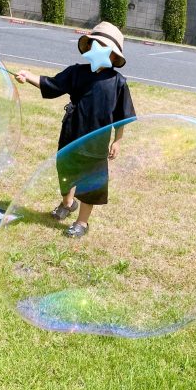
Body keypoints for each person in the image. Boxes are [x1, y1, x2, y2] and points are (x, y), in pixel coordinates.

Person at [15, 21, 136, 238]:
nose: (97, 49)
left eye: (104, 47)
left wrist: (117, 140)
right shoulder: (76, 72)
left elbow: (122, 116)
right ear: (89, 48)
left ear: (113, 57)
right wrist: (28, 75)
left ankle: (82, 222)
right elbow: (52, 85)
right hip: (72, 132)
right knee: (66, 172)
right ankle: (67, 203)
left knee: (90, 183)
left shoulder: (118, 82)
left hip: (96, 141)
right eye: (94, 44)